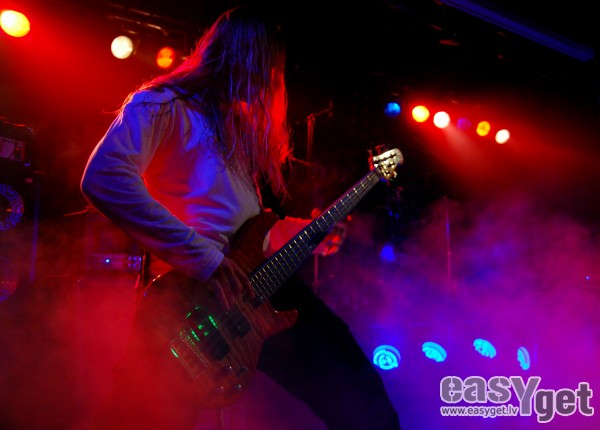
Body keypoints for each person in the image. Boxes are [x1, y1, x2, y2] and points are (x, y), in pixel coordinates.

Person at [80, 5, 401, 430]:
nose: (272, 81)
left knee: (361, 400)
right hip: (188, 301)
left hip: (255, 291)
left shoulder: (237, 126)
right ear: (244, 57)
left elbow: (249, 230)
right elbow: (104, 178)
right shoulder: (162, 104)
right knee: (137, 418)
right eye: (270, 67)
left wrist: (308, 232)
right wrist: (206, 259)